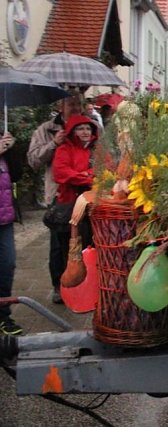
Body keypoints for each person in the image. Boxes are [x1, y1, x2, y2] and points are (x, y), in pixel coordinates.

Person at [28, 95, 82, 304]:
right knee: (60, 245)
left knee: (85, 241)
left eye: (79, 104)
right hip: (59, 195)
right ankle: (59, 285)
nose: (75, 108)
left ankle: (84, 285)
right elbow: (33, 160)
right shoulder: (46, 130)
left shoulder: (90, 126)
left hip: (86, 194)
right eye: (71, 104)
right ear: (60, 107)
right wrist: (54, 143)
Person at [50, 115, 98, 304]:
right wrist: (86, 177)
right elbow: (61, 173)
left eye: (88, 128)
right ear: (72, 131)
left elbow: (106, 169)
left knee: (89, 247)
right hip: (69, 206)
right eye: (80, 129)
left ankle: (86, 287)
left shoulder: (97, 150)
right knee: (66, 249)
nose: (85, 132)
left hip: (92, 207)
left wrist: (83, 175)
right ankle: (61, 286)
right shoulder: (65, 149)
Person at [0, 130, 23, 335]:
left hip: (4, 219)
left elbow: (16, 174)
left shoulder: (3, 145)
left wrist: (11, 150)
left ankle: (3, 316)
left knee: (7, 265)